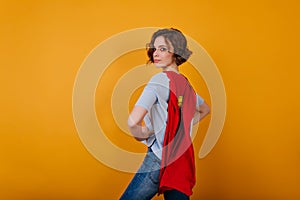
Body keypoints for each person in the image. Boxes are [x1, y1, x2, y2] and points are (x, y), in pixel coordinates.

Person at [120, 28, 210, 200]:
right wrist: (182, 128)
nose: (156, 53)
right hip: (181, 159)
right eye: (154, 48)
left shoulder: (158, 81)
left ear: (176, 53)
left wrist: (145, 134)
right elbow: (205, 109)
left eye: (162, 49)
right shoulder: (187, 86)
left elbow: (133, 122)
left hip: (158, 158)